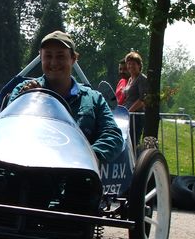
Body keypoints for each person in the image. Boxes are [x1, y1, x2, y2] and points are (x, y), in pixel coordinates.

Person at [8, 30, 123, 163]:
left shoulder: (94, 99)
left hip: (76, 171)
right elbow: (8, 129)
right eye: (48, 56)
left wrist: (90, 157)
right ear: (41, 57)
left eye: (60, 56)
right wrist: (26, 102)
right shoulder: (23, 91)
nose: (54, 62)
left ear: (73, 58)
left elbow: (113, 135)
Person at [122, 51, 148, 146]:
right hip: (128, 116)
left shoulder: (142, 79)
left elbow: (142, 100)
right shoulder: (130, 79)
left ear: (139, 65)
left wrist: (129, 112)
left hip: (136, 117)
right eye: (128, 63)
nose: (130, 66)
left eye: (133, 64)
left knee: (133, 141)